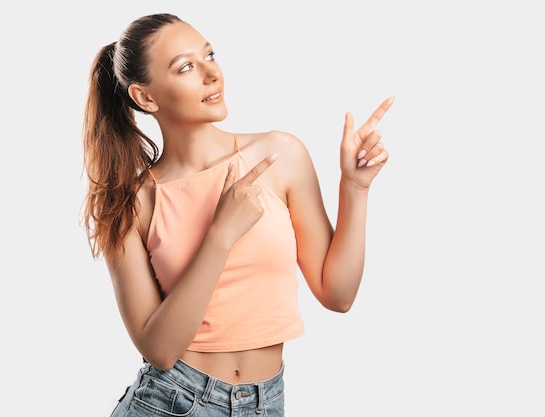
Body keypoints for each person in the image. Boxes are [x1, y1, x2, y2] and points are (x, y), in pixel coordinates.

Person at [81, 12, 393, 417]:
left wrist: (355, 188)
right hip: (170, 401)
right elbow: (158, 350)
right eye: (187, 67)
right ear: (145, 97)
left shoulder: (280, 155)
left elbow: (338, 295)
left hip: (266, 403)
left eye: (210, 54)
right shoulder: (132, 203)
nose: (212, 73)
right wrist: (220, 235)